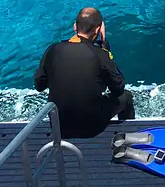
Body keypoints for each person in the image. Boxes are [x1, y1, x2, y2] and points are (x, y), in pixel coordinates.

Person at [34, 7, 135, 138]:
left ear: (75, 26)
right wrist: (106, 49)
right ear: (98, 30)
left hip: (59, 125)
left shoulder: (52, 50)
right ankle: (130, 137)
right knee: (126, 97)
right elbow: (118, 88)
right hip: (91, 127)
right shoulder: (100, 54)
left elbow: (39, 86)